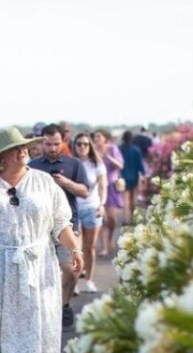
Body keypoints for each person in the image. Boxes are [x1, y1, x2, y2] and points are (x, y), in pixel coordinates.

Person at [0, 127, 83, 353]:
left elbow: (61, 223)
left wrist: (75, 249)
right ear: (1, 157)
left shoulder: (44, 183)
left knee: (35, 326)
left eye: (22, 147)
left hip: (37, 267)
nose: (21, 152)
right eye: (14, 149)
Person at [29, 123, 90, 328]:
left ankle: (64, 305)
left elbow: (84, 191)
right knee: (39, 274)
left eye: (56, 144)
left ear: (62, 142)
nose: (52, 148)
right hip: (39, 229)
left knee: (70, 270)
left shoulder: (74, 164)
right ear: (41, 143)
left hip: (67, 225)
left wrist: (66, 183)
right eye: (48, 144)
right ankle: (44, 310)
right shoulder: (33, 166)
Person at [73, 133, 108, 293]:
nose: (82, 147)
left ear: (90, 146)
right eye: (79, 144)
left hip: (92, 208)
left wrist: (102, 204)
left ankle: (89, 281)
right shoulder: (71, 163)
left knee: (90, 247)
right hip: (74, 209)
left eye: (85, 144)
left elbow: (103, 186)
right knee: (76, 248)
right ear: (75, 146)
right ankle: (74, 282)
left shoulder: (97, 164)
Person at [93, 129, 124, 257]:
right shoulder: (92, 150)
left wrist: (109, 158)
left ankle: (111, 238)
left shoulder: (112, 149)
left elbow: (120, 166)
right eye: (95, 137)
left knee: (112, 219)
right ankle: (104, 246)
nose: (96, 139)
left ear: (105, 138)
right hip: (97, 187)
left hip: (111, 187)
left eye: (99, 136)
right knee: (100, 218)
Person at [119, 130, 145, 225]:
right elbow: (140, 165)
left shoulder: (119, 149)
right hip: (134, 176)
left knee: (125, 200)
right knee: (133, 199)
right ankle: (134, 219)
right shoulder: (136, 150)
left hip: (123, 177)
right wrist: (143, 174)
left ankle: (126, 220)